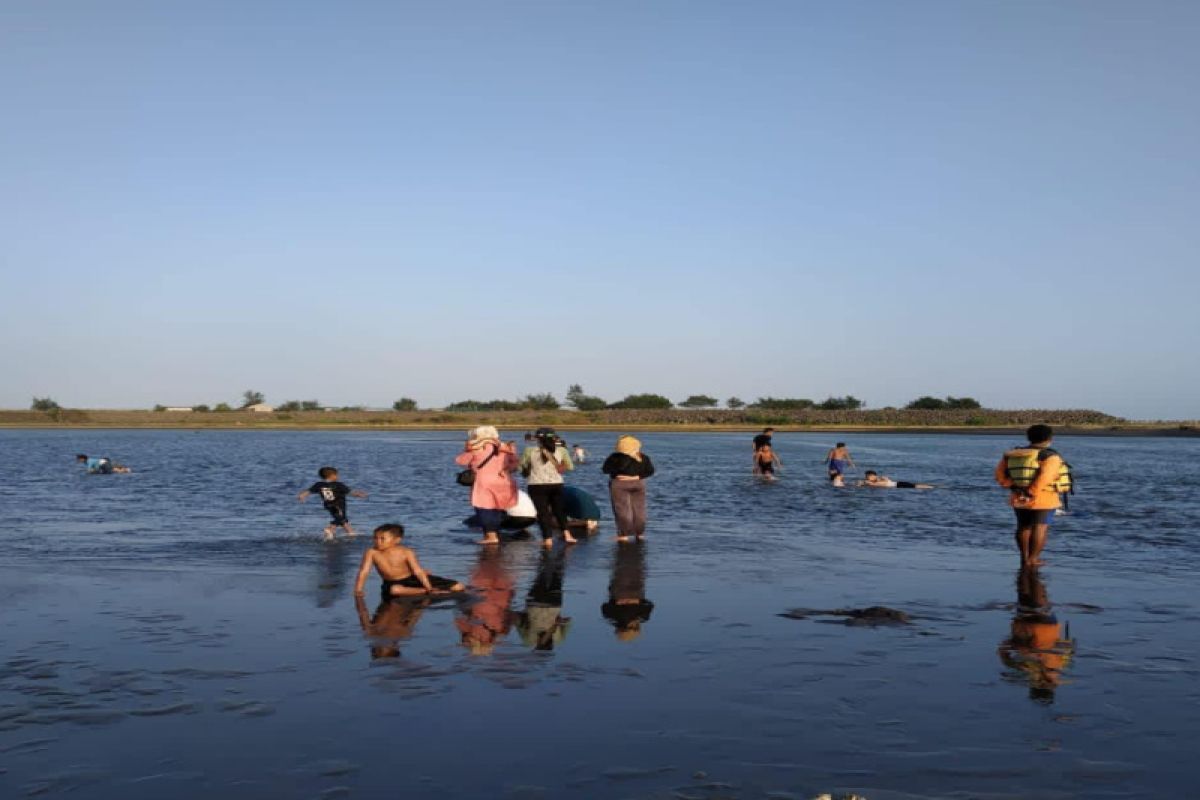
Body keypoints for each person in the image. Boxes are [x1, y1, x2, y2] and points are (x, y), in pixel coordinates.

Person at [997, 566, 1075, 704]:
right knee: (1025, 590)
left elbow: (1068, 647)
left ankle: (1031, 566)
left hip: (1043, 626)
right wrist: (1012, 643)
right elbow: (1002, 653)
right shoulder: (1026, 669)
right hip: (1026, 625)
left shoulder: (1055, 669)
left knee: (1033, 588)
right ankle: (1029, 566)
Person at [995, 424, 1069, 566]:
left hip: (1018, 496)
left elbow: (999, 474)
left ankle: (1024, 558)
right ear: (1049, 439)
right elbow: (1045, 477)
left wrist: (1012, 486)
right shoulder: (1050, 456)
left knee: (1023, 526)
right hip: (1043, 497)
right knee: (1039, 527)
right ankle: (1033, 559)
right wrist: (1031, 492)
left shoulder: (1013, 454)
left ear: (1028, 438)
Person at [353, 523, 465, 599]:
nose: (378, 542)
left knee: (458, 586)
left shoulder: (406, 552)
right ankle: (425, 591)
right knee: (395, 590)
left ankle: (429, 589)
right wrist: (358, 589)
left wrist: (427, 585)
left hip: (412, 579)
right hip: (392, 583)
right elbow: (364, 571)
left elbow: (418, 571)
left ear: (397, 540)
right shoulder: (371, 552)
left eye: (382, 539)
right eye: (375, 538)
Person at [455, 426, 520, 545]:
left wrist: (467, 449)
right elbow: (515, 465)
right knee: (497, 508)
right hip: (504, 481)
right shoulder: (506, 448)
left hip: (484, 483)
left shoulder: (476, 449)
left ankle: (491, 536)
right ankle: (493, 533)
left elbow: (460, 461)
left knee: (484, 509)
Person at [520, 428, 577, 547]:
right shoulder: (561, 450)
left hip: (536, 485)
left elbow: (521, 468)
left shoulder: (529, 450)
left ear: (537, 439)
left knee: (543, 513)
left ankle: (547, 539)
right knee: (559, 510)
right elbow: (570, 467)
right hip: (556, 484)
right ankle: (568, 535)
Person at [456, 548, 516, 655]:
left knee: (500, 563)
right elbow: (460, 613)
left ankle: (496, 544)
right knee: (487, 562)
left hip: (500, 597)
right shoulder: (467, 631)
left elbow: (511, 615)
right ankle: (493, 544)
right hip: (482, 596)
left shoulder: (501, 632)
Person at [602, 435, 655, 541]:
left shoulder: (615, 457)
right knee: (639, 509)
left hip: (619, 484)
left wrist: (620, 474)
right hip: (639, 484)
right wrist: (637, 476)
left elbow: (605, 469)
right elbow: (650, 471)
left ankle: (623, 535)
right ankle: (639, 533)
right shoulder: (643, 457)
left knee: (622, 509)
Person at [516, 549, 571, 651]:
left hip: (554, 604)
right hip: (534, 604)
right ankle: (546, 552)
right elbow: (518, 619)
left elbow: (569, 621)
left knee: (557, 577)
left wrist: (559, 622)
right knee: (541, 577)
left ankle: (560, 554)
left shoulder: (558, 639)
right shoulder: (528, 640)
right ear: (537, 645)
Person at [602, 541, 654, 641]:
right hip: (617, 591)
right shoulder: (611, 616)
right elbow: (604, 606)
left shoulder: (642, 616)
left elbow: (650, 604)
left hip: (636, 590)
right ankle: (622, 544)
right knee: (619, 565)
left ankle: (633, 544)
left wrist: (639, 602)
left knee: (637, 562)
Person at [298, 466, 367, 540]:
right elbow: (350, 492)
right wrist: (359, 494)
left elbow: (309, 491)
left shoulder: (318, 485)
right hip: (339, 505)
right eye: (337, 475)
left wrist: (302, 496)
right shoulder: (338, 485)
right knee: (341, 518)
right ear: (332, 476)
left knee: (341, 519)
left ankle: (348, 532)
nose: (338, 476)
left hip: (328, 505)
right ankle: (332, 529)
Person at [355, 593, 432, 660]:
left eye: (377, 650)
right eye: (379, 650)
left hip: (395, 594)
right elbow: (416, 613)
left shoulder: (370, 633)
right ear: (396, 647)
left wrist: (359, 598)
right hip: (401, 595)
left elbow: (362, 612)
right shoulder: (403, 633)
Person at [858, 470, 933, 489]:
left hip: (898, 484)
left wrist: (864, 483)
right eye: (866, 476)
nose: (866, 478)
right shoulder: (874, 481)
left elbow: (875, 484)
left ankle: (930, 487)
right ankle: (930, 487)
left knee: (915, 486)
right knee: (915, 486)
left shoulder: (880, 479)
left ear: (873, 475)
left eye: (868, 476)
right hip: (898, 485)